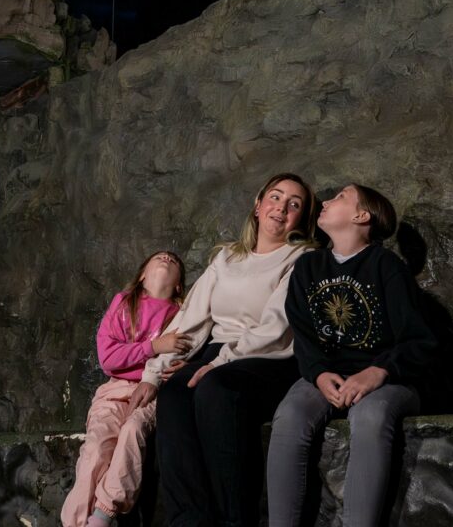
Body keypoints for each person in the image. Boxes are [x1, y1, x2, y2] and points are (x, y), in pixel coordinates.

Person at [125, 173, 318, 527]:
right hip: (219, 355)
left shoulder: (302, 258)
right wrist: (153, 374)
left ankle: (235, 519)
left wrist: (219, 362)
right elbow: (191, 319)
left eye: (294, 204)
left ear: (301, 219)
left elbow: (276, 328)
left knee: (215, 389)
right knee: (175, 392)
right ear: (258, 206)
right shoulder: (227, 258)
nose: (281, 208)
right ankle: (190, 520)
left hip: (270, 359)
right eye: (275, 198)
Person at [267, 185, 437, 527]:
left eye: (340, 198)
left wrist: (379, 371)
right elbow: (303, 334)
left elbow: (419, 341)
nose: (325, 202)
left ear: (362, 216)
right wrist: (316, 373)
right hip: (326, 376)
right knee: (291, 414)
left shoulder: (386, 267)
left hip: (388, 380)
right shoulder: (308, 267)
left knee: (371, 416)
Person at [61, 251, 191, 527]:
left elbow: (186, 356)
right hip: (114, 390)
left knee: (132, 431)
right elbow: (108, 359)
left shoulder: (183, 314)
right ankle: (74, 521)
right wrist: (155, 347)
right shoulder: (123, 303)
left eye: (173, 260)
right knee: (96, 447)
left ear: (179, 285)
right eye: (159, 257)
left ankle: (103, 513)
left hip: (154, 393)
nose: (167, 258)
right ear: (142, 274)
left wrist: (182, 367)